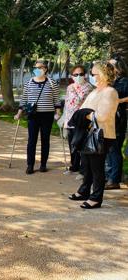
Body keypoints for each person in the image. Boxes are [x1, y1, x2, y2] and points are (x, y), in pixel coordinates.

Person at [68, 61, 119, 209]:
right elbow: (83, 109)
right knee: (87, 166)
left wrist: (85, 114)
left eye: (94, 74)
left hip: (101, 134)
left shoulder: (110, 92)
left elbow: (102, 115)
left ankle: (96, 198)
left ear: (103, 74)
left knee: (96, 169)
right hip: (88, 132)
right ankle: (84, 191)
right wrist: (86, 113)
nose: (92, 77)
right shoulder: (95, 91)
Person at [14, 60, 61, 174]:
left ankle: (43, 164)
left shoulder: (51, 83)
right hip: (33, 115)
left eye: (40, 67)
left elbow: (57, 99)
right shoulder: (29, 83)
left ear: (45, 69)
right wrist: (19, 113)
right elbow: (24, 99)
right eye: (36, 67)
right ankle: (30, 165)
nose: (37, 69)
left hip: (47, 115)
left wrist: (58, 113)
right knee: (32, 140)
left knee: (45, 140)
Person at [63, 65, 92, 176]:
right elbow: (67, 103)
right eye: (76, 74)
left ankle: (83, 170)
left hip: (81, 120)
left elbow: (78, 101)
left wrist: (74, 90)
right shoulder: (69, 87)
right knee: (72, 145)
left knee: (80, 144)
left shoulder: (88, 87)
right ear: (72, 76)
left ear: (84, 75)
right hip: (70, 119)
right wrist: (64, 120)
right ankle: (73, 166)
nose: (79, 76)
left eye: (81, 74)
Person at [105, 54, 128, 189]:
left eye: (111, 66)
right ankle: (109, 176)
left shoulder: (124, 80)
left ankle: (114, 180)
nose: (109, 68)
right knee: (109, 148)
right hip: (109, 117)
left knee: (114, 149)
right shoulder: (113, 81)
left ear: (118, 67)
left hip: (118, 118)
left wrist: (118, 100)